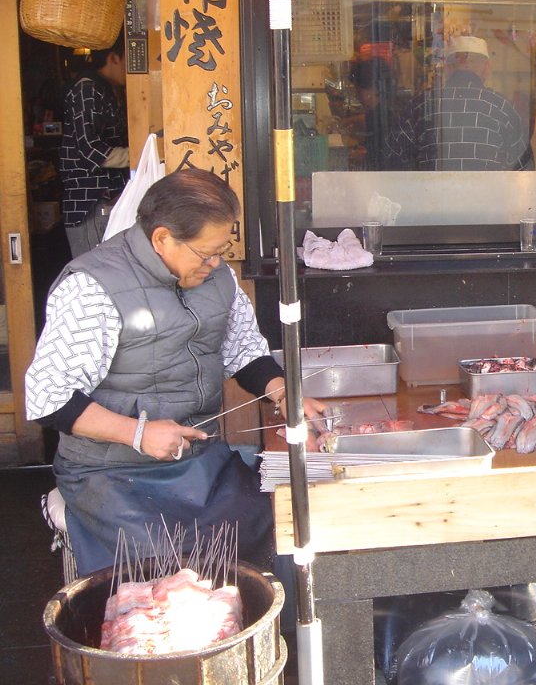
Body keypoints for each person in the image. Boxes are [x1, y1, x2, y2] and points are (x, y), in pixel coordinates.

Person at [25, 168, 325, 575]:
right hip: (112, 473)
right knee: (169, 570)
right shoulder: (92, 287)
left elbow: (244, 351)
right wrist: (138, 433)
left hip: (201, 463)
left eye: (222, 250)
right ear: (162, 238)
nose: (216, 263)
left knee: (274, 526)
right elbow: (49, 398)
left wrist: (282, 392)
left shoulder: (218, 277)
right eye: (206, 253)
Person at [383, 35, 528, 171]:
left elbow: (393, 158)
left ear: (446, 69)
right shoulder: (503, 108)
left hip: (431, 190)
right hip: (488, 190)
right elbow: (523, 166)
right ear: (487, 68)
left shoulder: (421, 105)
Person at [60, 32, 130, 257]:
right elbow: (90, 149)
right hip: (91, 202)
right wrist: (139, 156)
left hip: (105, 198)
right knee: (95, 270)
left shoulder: (106, 89)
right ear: (113, 58)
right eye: (129, 58)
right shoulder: (87, 89)